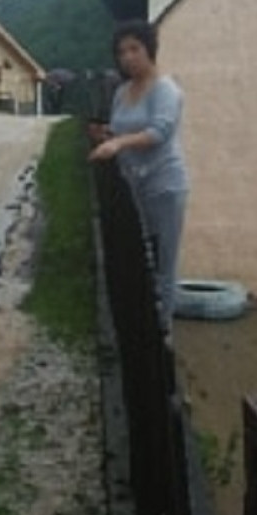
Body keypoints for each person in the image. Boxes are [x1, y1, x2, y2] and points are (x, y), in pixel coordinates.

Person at [88, 19, 189, 334]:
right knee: (140, 254)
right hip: (133, 184)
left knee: (163, 260)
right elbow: (121, 128)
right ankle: (143, 322)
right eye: (121, 51)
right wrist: (105, 134)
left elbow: (159, 132)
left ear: (150, 50)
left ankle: (164, 331)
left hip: (164, 185)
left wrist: (118, 143)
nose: (127, 57)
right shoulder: (122, 91)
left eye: (135, 48)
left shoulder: (166, 89)